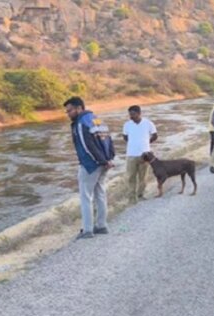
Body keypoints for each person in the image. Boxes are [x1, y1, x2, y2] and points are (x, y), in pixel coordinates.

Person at [64, 97, 115, 240]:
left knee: (86, 197)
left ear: (79, 108)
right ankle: (101, 226)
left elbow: (87, 146)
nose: (68, 114)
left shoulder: (81, 123)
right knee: (100, 194)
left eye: (70, 111)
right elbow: (108, 140)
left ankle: (87, 230)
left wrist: (102, 161)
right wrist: (109, 159)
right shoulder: (97, 119)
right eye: (67, 111)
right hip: (104, 163)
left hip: (90, 165)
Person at [122, 105, 158, 202]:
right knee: (130, 177)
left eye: (133, 114)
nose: (131, 116)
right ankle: (131, 198)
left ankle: (140, 195)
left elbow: (155, 136)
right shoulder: (127, 125)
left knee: (143, 177)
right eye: (130, 114)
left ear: (139, 113)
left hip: (145, 154)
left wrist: (147, 143)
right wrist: (134, 143)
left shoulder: (148, 123)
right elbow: (125, 138)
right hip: (131, 155)